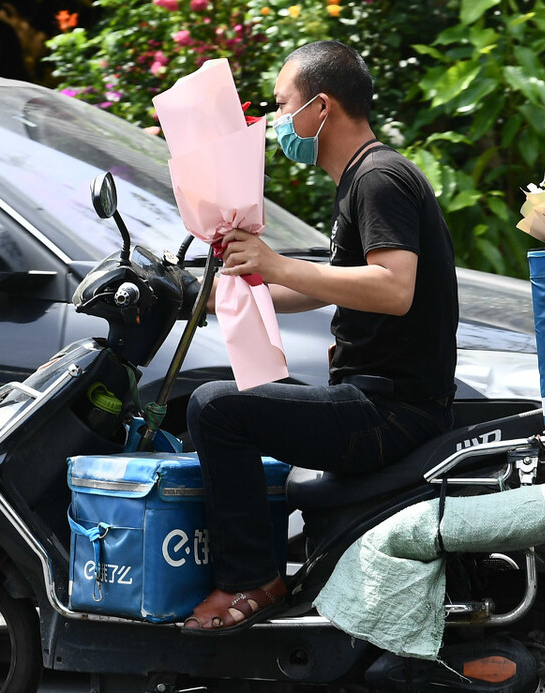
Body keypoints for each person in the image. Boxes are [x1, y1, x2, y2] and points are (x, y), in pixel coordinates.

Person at [181, 41, 458, 634]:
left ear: (321, 108)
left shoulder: (379, 179)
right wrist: (214, 294)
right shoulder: (362, 178)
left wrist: (277, 265)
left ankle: (252, 578)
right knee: (238, 394)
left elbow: (392, 287)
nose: (278, 122)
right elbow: (331, 285)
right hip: (382, 400)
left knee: (214, 407)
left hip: (388, 410)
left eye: (283, 106)